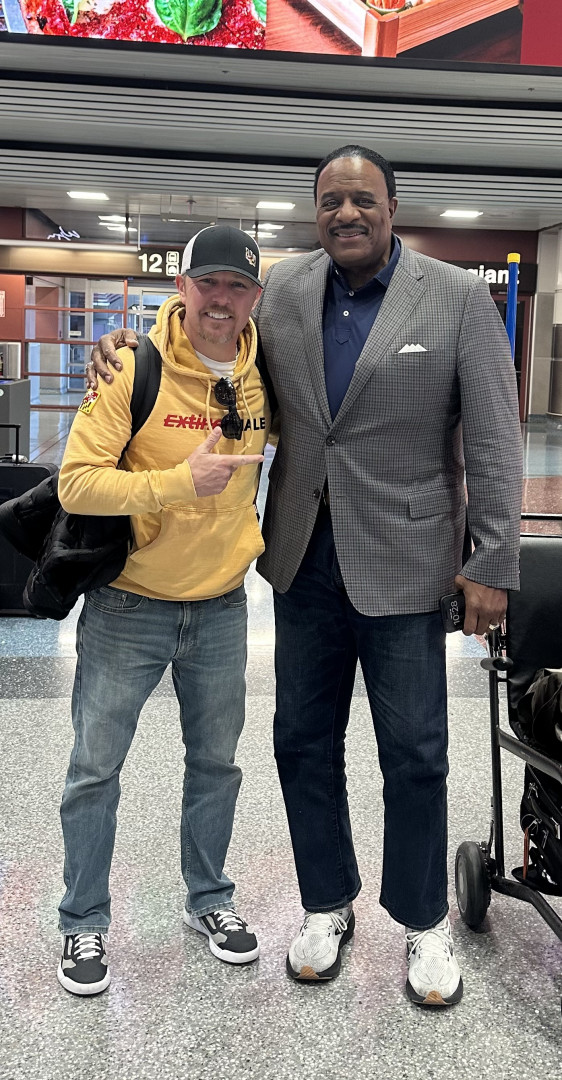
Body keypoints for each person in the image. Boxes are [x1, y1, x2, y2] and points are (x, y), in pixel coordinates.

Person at [89, 146, 523, 1007]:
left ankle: (423, 919)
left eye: (362, 199)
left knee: (416, 753)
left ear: (392, 206)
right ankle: (326, 903)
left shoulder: (455, 298)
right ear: (314, 211)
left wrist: (491, 561)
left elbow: (494, 438)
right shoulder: (284, 288)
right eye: (330, 201)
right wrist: (130, 343)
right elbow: (214, 338)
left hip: (407, 563)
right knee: (301, 742)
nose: (345, 213)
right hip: (301, 561)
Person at [58, 225, 269, 996]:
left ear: (255, 298)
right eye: (207, 282)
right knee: (95, 769)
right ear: (181, 288)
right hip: (128, 607)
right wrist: (181, 483)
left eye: (237, 286)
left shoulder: (265, 369)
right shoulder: (129, 366)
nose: (221, 300)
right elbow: (77, 483)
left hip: (221, 609)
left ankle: (208, 899)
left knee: (217, 765)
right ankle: (82, 920)